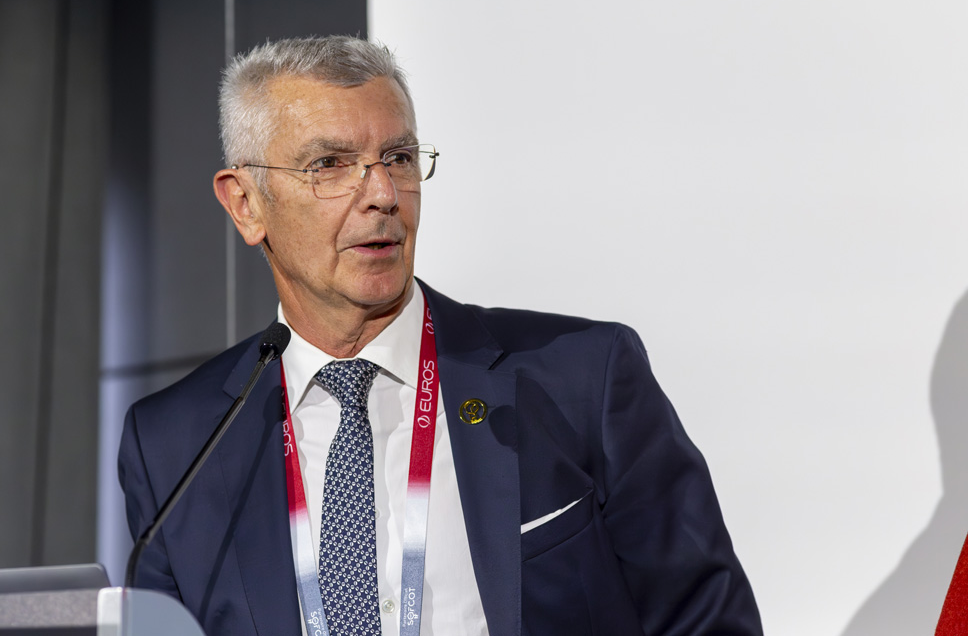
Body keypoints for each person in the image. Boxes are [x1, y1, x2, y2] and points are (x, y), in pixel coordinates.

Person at [118, 35, 762, 636]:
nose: (382, 194)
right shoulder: (176, 445)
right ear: (246, 204)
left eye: (398, 158)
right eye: (330, 164)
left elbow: (706, 620)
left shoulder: (582, 379)